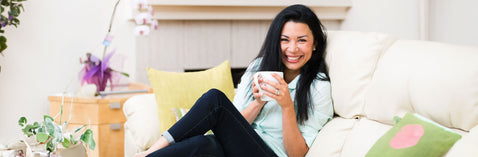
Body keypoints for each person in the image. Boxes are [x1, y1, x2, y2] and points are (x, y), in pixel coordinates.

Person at [135, 4, 333, 157]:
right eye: (285, 39)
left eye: (302, 40)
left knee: (215, 100)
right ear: (276, 41)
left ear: (314, 44)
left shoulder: (319, 88)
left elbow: (297, 154)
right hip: (242, 148)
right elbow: (233, 123)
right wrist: (258, 102)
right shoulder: (259, 68)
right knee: (205, 144)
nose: (292, 48)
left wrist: (287, 107)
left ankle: (149, 152)